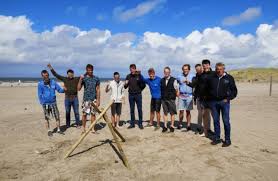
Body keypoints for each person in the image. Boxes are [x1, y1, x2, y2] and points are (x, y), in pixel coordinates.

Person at [208, 62, 237, 147]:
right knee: (216, 121)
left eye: (220, 69)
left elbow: (234, 91)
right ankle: (217, 138)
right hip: (214, 103)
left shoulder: (229, 78)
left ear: (224, 69)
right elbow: (209, 89)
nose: (219, 71)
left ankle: (227, 140)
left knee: (226, 121)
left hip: (224, 103)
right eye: (217, 69)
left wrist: (228, 99)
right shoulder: (212, 78)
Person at [47, 63, 81, 129]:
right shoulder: (64, 79)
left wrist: (85, 74)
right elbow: (56, 75)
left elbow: (83, 76)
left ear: (73, 74)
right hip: (67, 98)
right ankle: (68, 124)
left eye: (71, 73)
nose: (70, 74)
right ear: (67, 74)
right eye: (69, 73)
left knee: (76, 112)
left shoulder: (76, 79)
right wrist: (51, 68)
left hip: (75, 98)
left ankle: (78, 124)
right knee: (67, 112)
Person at [37, 70, 64, 136]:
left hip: (53, 103)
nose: (46, 77)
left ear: (48, 75)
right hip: (45, 104)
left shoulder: (53, 82)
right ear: (42, 76)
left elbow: (59, 90)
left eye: (47, 75)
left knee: (57, 116)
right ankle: (49, 131)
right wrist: (42, 102)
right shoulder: (40, 84)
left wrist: (64, 90)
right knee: (47, 117)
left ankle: (58, 130)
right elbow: (39, 94)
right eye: (44, 76)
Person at [78, 64, 100, 134]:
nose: (90, 71)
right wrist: (80, 79)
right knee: (84, 114)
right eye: (89, 70)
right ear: (86, 70)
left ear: (93, 70)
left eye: (91, 70)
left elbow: (98, 89)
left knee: (93, 114)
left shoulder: (96, 78)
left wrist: (98, 100)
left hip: (93, 99)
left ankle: (92, 129)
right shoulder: (84, 78)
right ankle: (83, 129)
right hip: (86, 99)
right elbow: (78, 88)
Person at [124, 64, 146, 130]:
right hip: (131, 95)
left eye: (133, 68)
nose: (132, 70)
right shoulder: (128, 76)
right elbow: (125, 87)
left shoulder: (139, 75)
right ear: (130, 69)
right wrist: (126, 83)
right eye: (131, 69)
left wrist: (139, 90)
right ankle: (132, 124)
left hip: (138, 95)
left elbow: (144, 85)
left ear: (135, 69)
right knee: (132, 110)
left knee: (139, 109)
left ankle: (140, 123)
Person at [191, 64, 209, 136]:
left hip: (207, 98)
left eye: (199, 69)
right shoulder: (195, 78)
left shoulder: (206, 76)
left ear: (202, 69)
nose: (198, 70)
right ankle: (199, 127)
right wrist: (194, 98)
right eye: (197, 69)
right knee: (200, 113)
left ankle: (207, 129)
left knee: (207, 114)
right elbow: (194, 87)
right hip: (199, 98)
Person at [161, 67, 179, 133]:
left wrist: (176, 96)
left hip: (171, 99)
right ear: (164, 72)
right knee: (165, 113)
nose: (166, 73)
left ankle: (172, 126)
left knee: (172, 113)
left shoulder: (174, 80)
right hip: (164, 99)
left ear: (169, 72)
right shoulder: (162, 80)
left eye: (167, 72)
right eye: (165, 72)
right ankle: (165, 126)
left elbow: (177, 89)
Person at [177, 64, 194, 131]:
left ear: (189, 70)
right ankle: (180, 124)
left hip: (189, 96)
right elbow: (176, 84)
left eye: (186, 69)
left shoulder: (193, 76)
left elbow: (195, 84)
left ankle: (188, 125)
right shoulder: (179, 76)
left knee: (188, 111)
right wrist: (177, 91)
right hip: (181, 96)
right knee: (181, 111)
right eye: (184, 69)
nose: (185, 70)